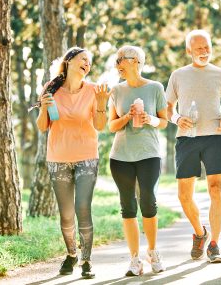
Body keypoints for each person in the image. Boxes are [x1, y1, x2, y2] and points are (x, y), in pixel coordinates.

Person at [36, 47, 111, 278]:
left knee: (82, 208)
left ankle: (86, 261)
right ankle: (71, 255)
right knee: (66, 213)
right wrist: (45, 108)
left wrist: (101, 104)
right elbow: (42, 126)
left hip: (86, 157)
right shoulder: (51, 87)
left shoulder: (93, 90)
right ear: (69, 61)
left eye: (90, 61)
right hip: (58, 158)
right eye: (83, 59)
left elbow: (99, 126)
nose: (87, 64)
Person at [166, 30, 221, 263]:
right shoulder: (178, 75)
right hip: (186, 138)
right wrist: (177, 119)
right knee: (184, 195)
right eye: (198, 48)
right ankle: (200, 233)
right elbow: (167, 109)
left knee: (216, 189)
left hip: (215, 137)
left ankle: (215, 245)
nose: (204, 52)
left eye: (207, 47)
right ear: (189, 51)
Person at [108, 45, 168, 276]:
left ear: (136, 62)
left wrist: (148, 118)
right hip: (120, 156)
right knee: (128, 207)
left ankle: (152, 252)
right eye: (117, 60)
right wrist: (127, 117)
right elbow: (111, 126)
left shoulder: (155, 88)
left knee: (148, 202)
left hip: (148, 153)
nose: (118, 64)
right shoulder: (116, 90)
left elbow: (163, 122)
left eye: (121, 59)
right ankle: (135, 259)